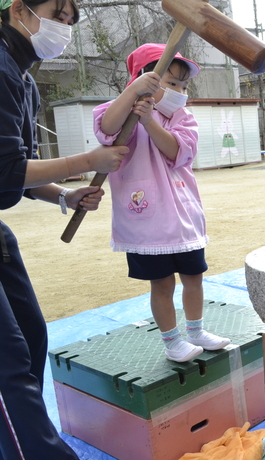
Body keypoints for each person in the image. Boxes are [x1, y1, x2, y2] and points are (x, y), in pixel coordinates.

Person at [0, 0, 127, 457]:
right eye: (59, 13)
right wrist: (86, 162)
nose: (65, 27)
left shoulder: (23, 80)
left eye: (72, 20)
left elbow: (21, 170)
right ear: (20, 10)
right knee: (7, 363)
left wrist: (63, 195)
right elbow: (5, 170)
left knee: (32, 336)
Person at [94, 43, 231, 363]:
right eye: (171, 83)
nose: (180, 91)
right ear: (145, 80)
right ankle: (172, 342)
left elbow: (178, 152)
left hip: (183, 218)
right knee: (162, 283)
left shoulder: (183, 118)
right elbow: (107, 129)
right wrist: (131, 99)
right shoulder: (119, 110)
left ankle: (196, 331)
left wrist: (150, 122)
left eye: (183, 85)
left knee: (194, 276)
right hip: (147, 223)